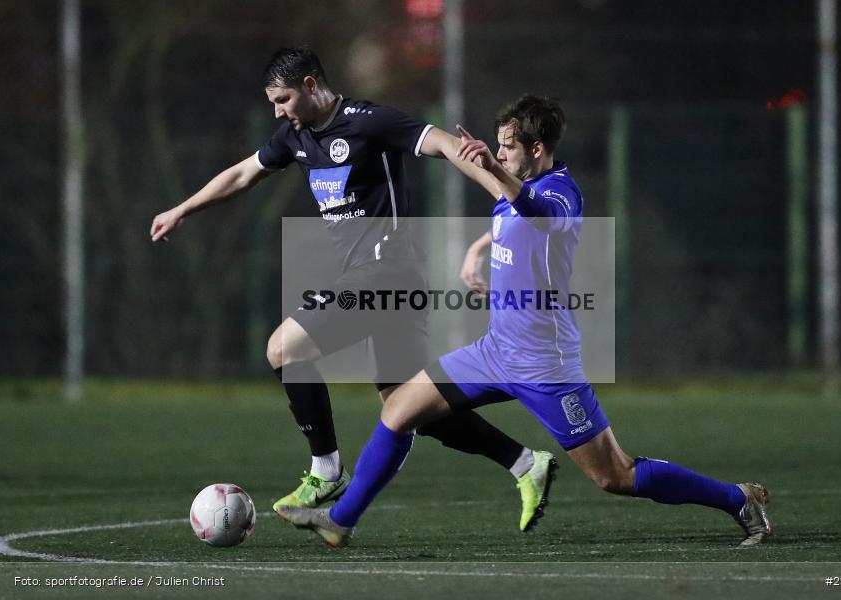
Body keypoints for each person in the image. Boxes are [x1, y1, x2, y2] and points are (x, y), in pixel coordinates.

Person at [278, 95, 773, 548]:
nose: (499, 152)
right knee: (398, 409)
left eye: (507, 146)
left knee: (614, 476)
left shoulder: (561, 193)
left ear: (537, 148)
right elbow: (515, 221)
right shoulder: (520, 185)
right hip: (494, 351)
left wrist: (495, 171)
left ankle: (736, 498)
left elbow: (535, 213)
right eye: (497, 144)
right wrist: (478, 247)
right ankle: (340, 521)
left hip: (544, 363)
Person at [149, 47, 556, 532]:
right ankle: (525, 463)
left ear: (309, 84)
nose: (277, 111)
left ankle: (326, 469)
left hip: (386, 273)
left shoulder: (369, 121)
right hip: (387, 281)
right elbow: (243, 173)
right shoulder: (294, 137)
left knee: (283, 347)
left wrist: (503, 193)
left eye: (282, 99)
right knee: (408, 409)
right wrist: (181, 209)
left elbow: (447, 145)